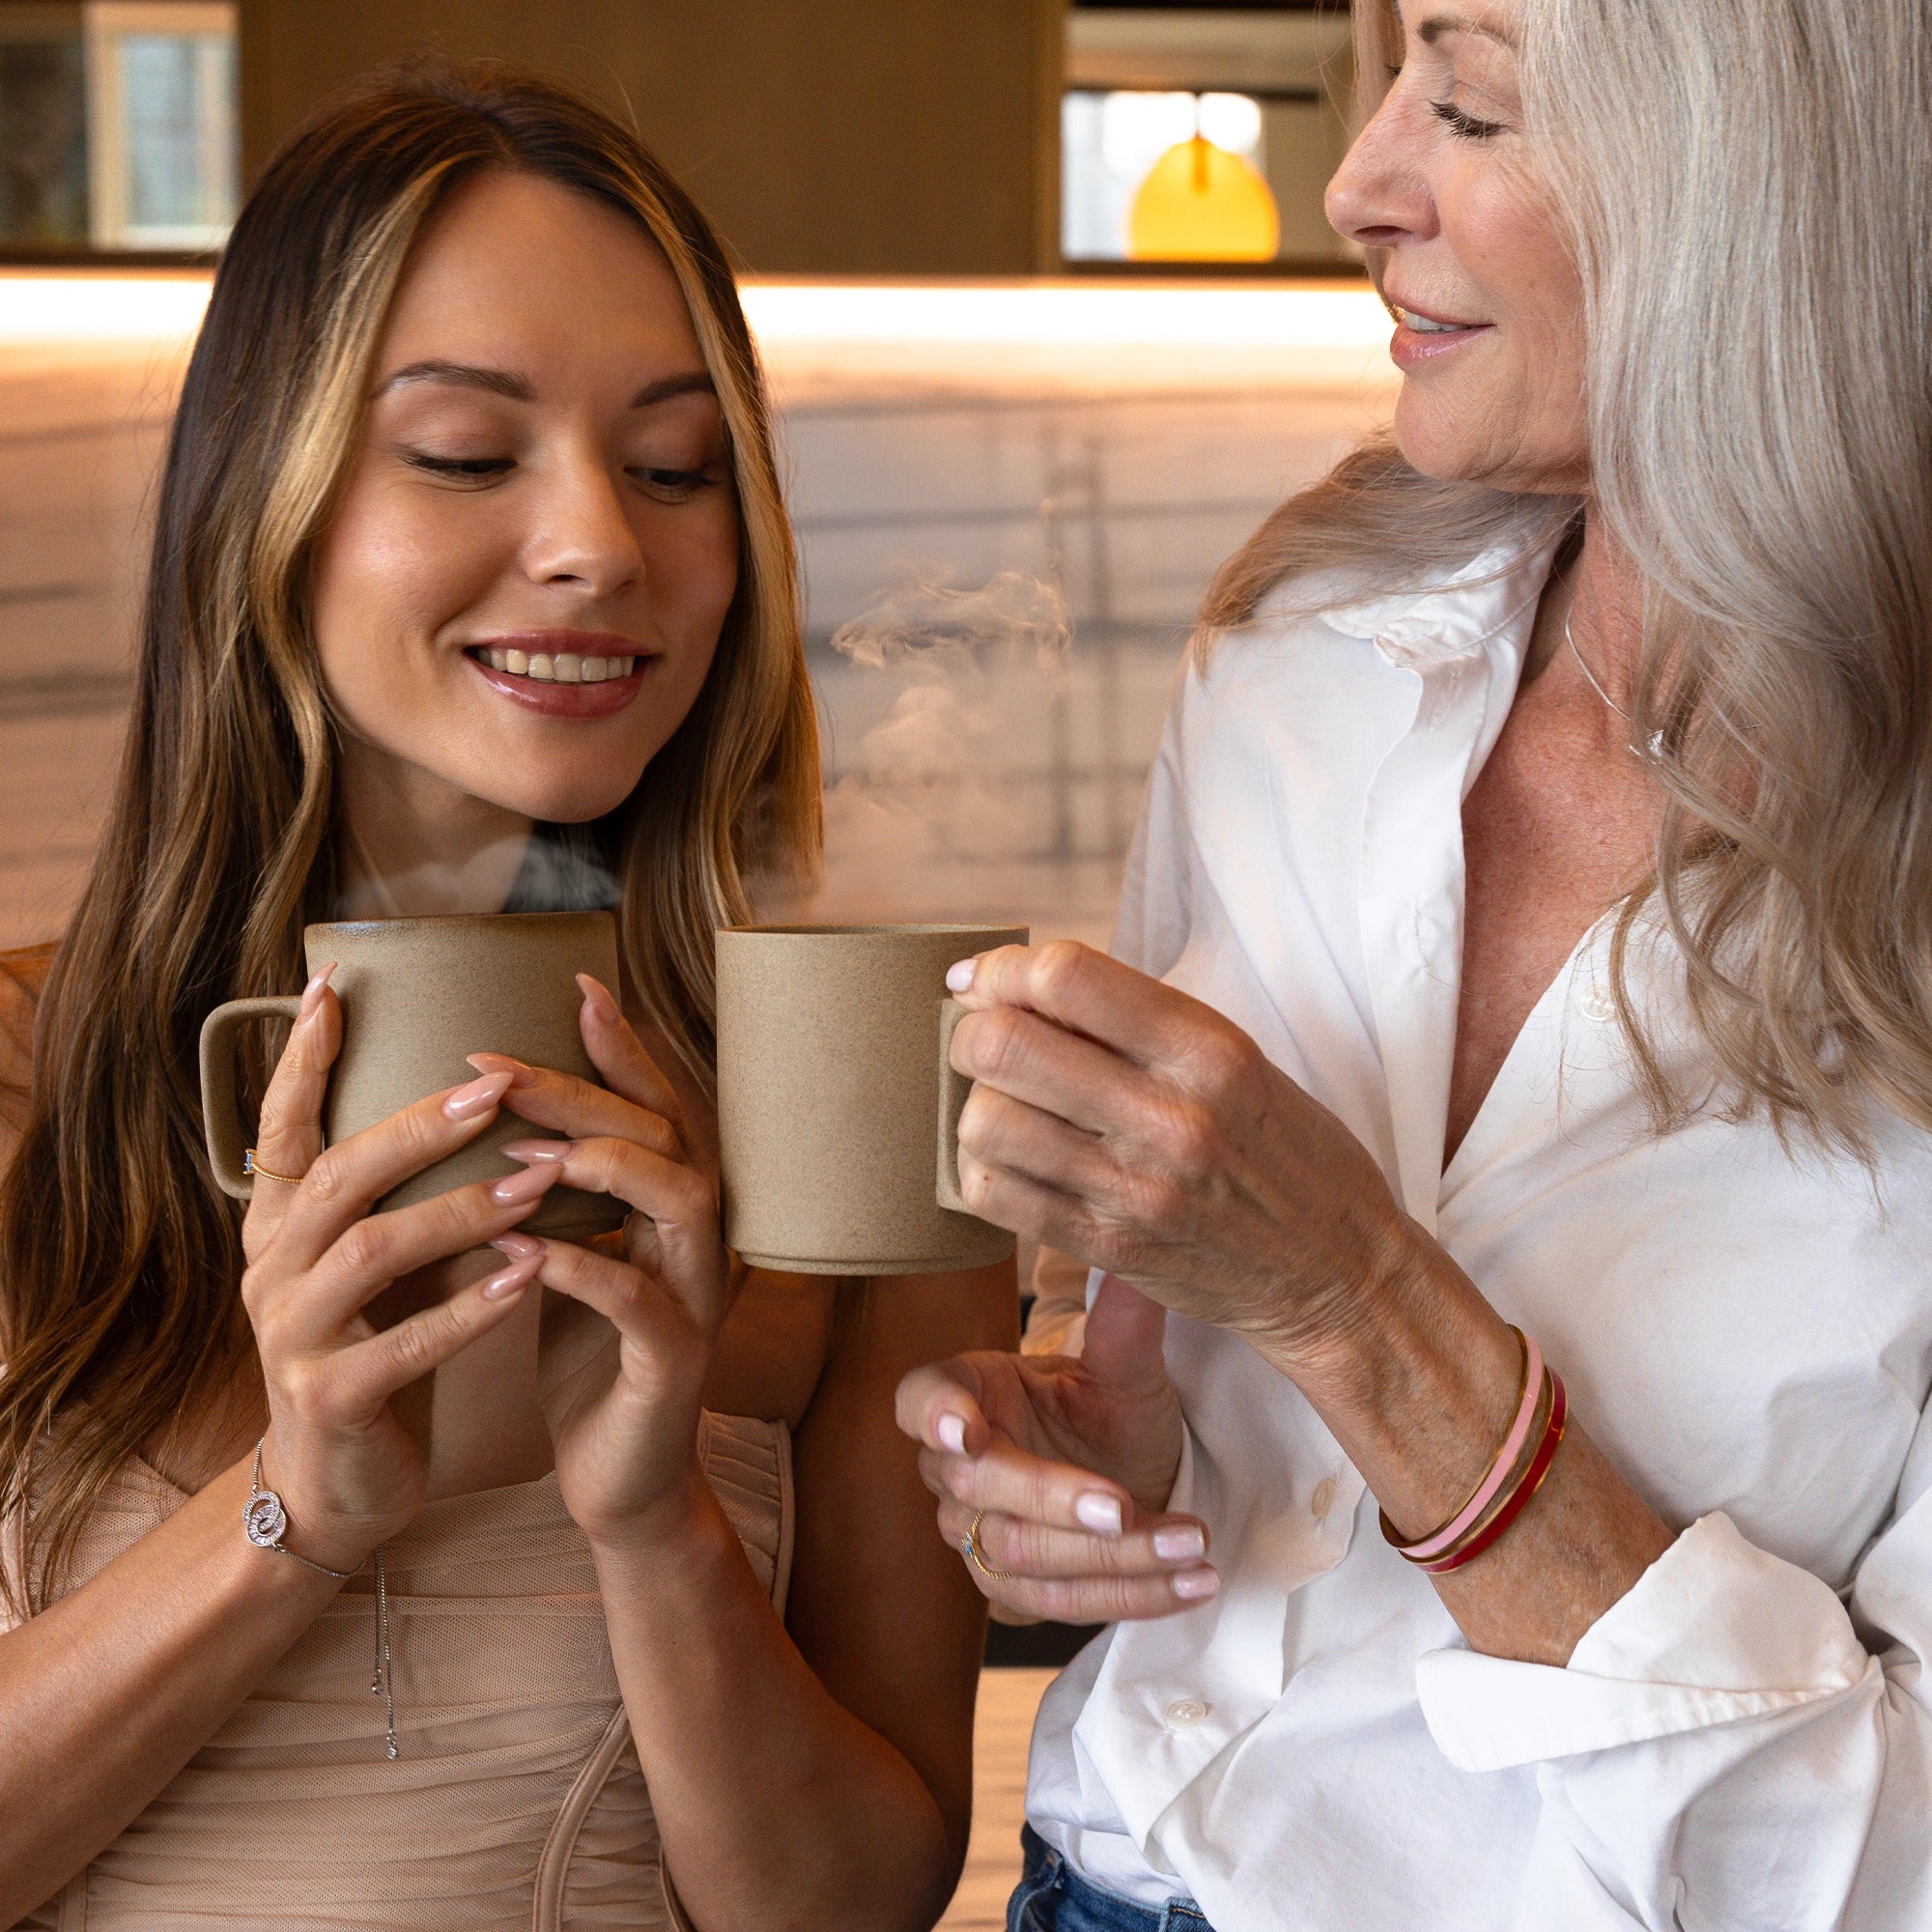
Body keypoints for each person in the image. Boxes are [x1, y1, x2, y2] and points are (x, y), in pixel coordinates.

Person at [897, 0, 1932, 1925]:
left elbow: (1891, 1867)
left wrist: (1358, 1304)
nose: (1351, 183)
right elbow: (1209, 1414)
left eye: (1464, 102)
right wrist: (1116, 1455)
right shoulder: (1295, 646)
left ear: (1769, 184)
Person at [0, 64, 1013, 1932]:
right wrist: (301, 1506)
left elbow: (852, 1904)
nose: (601, 545)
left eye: (676, 465)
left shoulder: (857, 1110)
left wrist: (652, 1522)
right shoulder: (19, 1078)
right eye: (468, 453)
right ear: (270, 505)